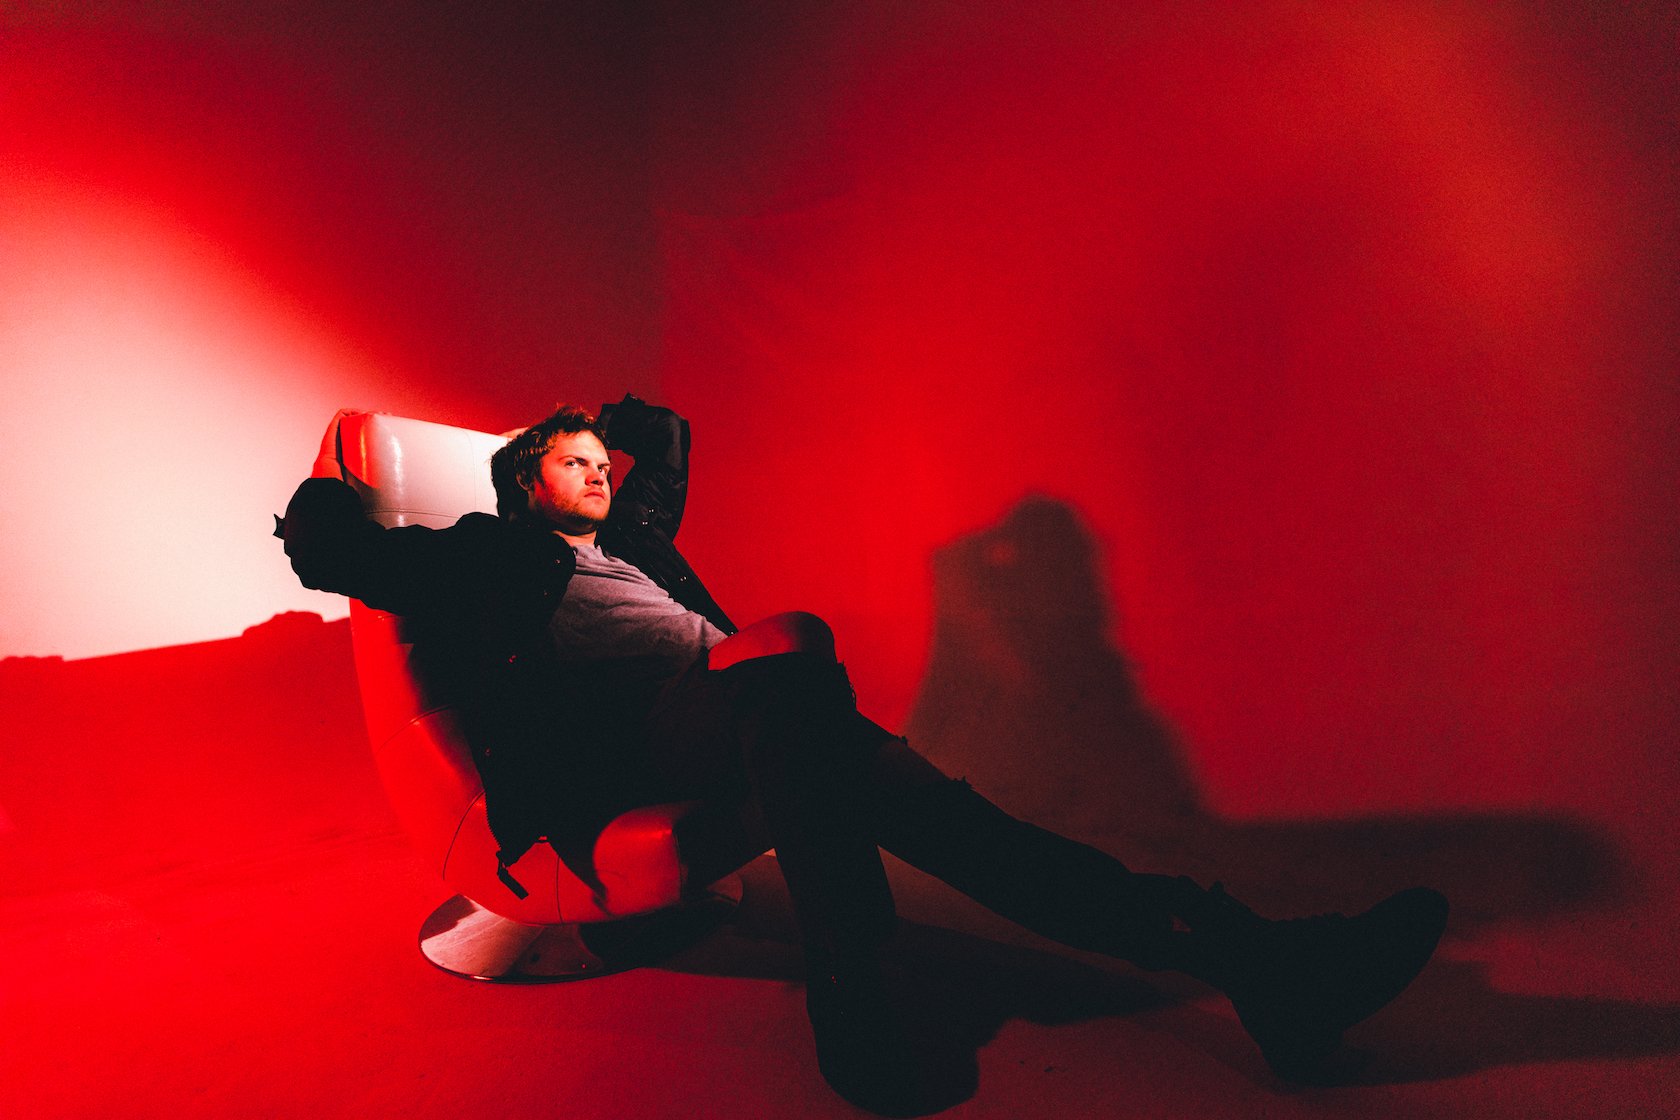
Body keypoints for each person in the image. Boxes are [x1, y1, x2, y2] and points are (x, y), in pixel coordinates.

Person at [278, 395, 1447, 1115]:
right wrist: (338, 490)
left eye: (596, 459)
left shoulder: (633, 544)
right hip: (642, 747)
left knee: (975, 833)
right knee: (787, 660)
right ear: (523, 486)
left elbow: (665, 440)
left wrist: (610, 417)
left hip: (758, 722)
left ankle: (1261, 965)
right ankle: (850, 985)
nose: (597, 471)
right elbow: (339, 557)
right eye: (571, 461)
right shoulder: (491, 553)